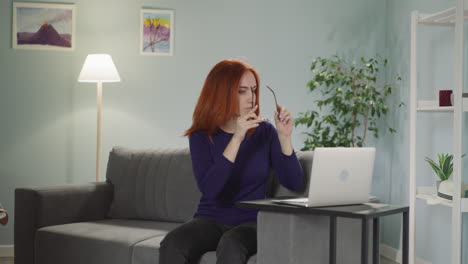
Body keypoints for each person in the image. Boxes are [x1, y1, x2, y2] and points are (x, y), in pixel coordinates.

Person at [159, 59, 303, 264]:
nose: (251, 98)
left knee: (231, 243)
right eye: (242, 91)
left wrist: (285, 137)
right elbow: (210, 189)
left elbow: (294, 182)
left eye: (253, 90)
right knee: (173, 242)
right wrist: (237, 138)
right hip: (210, 219)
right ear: (222, 93)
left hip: (251, 222)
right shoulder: (201, 135)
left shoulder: (265, 132)